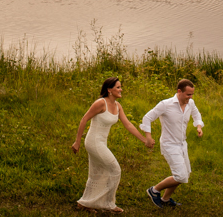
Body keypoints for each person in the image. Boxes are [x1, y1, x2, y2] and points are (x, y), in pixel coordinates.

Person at [71, 76, 153, 212]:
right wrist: (77, 141)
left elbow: (128, 125)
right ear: (109, 90)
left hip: (102, 142)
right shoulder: (100, 103)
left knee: (97, 173)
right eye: (118, 87)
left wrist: (145, 140)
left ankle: (85, 203)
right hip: (94, 142)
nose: (121, 90)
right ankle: (108, 204)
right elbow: (84, 119)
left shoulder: (117, 106)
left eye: (120, 87)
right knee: (115, 170)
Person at [140, 79, 204, 208]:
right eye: (188, 94)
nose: (190, 97)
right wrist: (148, 137)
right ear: (179, 91)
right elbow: (147, 118)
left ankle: (165, 199)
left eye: (192, 94)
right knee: (180, 175)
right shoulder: (165, 104)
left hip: (182, 144)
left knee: (184, 174)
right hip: (169, 145)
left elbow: (196, 115)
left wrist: (198, 126)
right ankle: (154, 190)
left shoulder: (190, 103)